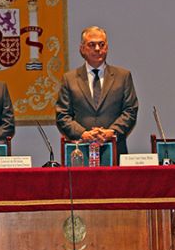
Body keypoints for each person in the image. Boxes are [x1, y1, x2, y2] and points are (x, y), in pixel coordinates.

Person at [55, 26, 138, 156]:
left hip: (115, 150)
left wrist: (112, 132)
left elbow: (130, 111)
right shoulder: (69, 79)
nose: (97, 49)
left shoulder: (123, 76)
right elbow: (62, 116)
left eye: (101, 44)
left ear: (107, 47)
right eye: (92, 45)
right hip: (81, 151)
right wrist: (83, 134)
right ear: (82, 49)